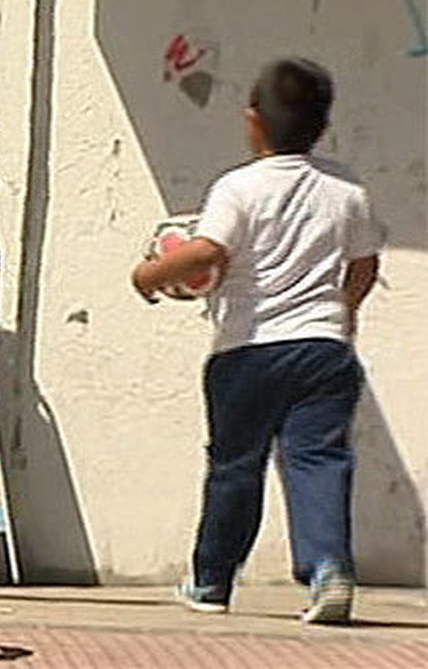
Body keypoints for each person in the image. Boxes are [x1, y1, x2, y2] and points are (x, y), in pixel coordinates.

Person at [131, 58, 384, 624]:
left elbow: (207, 253)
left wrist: (148, 274)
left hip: (248, 348)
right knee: (319, 458)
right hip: (323, 347)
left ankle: (212, 581)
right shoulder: (346, 190)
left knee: (236, 466)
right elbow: (364, 265)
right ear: (323, 125)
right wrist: (344, 311)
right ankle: (328, 568)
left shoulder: (237, 187)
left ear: (253, 120)